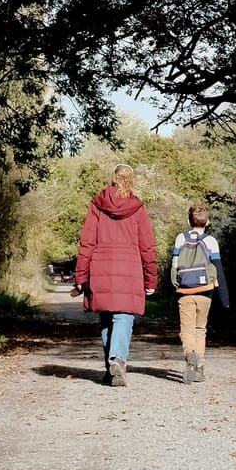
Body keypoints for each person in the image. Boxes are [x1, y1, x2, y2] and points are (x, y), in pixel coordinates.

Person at [72, 164, 156, 386]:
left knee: (107, 318)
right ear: (132, 180)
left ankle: (111, 368)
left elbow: (87, 242)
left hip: (101, 267)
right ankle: (117, 360)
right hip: (129, 268)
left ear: (112, 179)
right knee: (124, 315)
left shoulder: (97, 205)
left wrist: (81, 276)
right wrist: (151, 278)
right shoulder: (138, 208)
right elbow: (147, 246)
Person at [168, 203, 228, 384]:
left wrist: (174, 287)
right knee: (200, 330)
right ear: (207, 221)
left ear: (188, 221)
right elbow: (218, 269)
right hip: (205, 292)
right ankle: (199, 368)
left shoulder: (180, 238)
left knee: (186, 329)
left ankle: (189, 354)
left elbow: (174, 266)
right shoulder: (211, 241)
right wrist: (224, 297)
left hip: (185, 291)